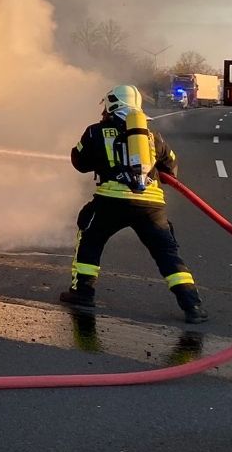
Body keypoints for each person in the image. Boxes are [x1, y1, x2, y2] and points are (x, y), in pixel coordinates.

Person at [59, 84, 208, 324]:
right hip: (151, 205)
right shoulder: (152, 136)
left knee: (90, 239)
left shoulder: (95, 131)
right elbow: (171, 168)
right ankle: (193, 305)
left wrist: (103, 160)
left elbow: (79, 162)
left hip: (111, 202)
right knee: (166, 253)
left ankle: (83, 293)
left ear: (111, 104)